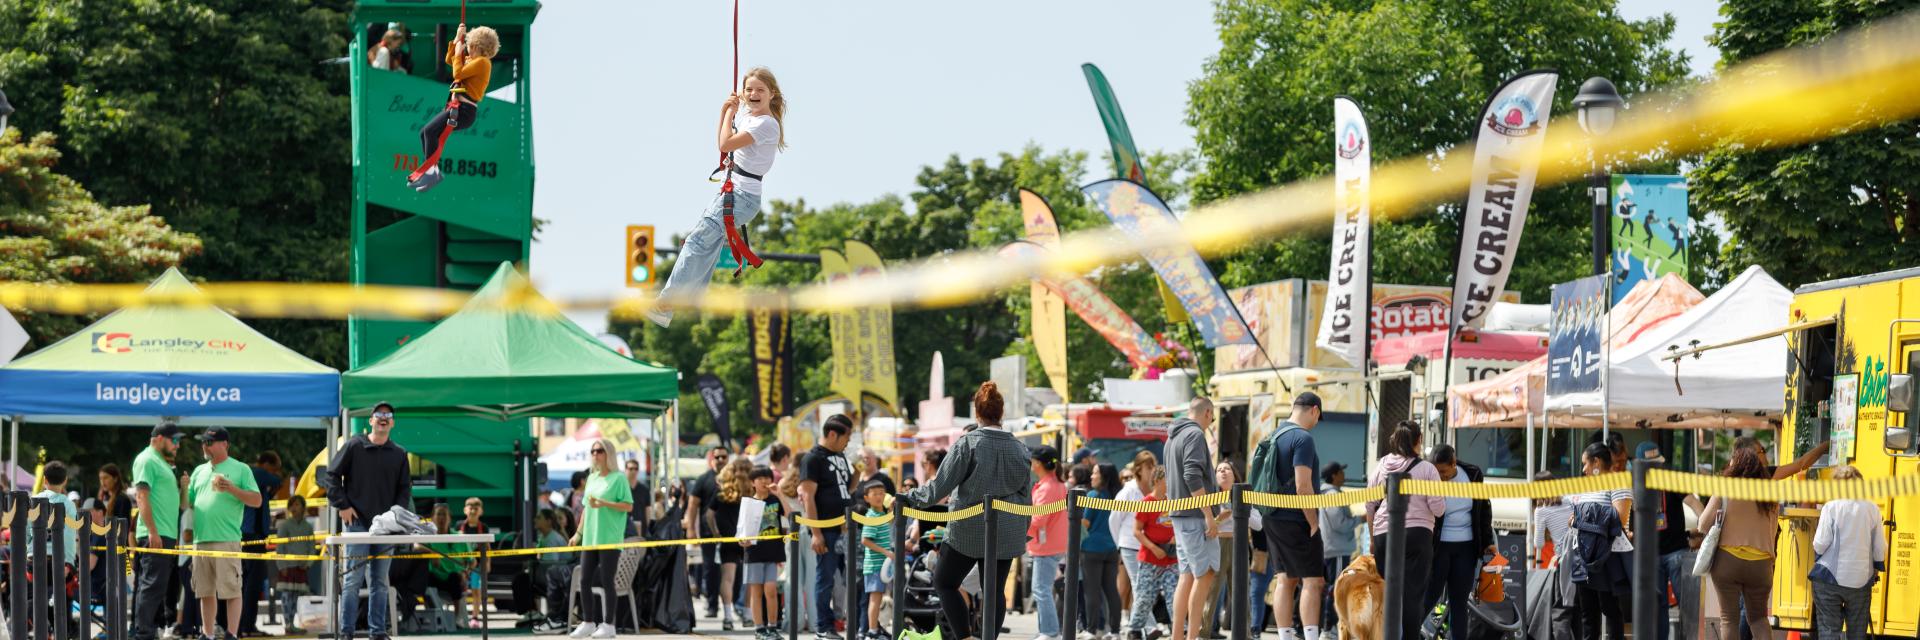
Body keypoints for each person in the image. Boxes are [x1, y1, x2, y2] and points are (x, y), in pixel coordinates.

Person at [646, 67, 788, 328]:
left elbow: (725, 145)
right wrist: (726, 112)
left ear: (772, 94)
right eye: (749, 89)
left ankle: (665, 305)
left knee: (696, 244)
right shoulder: (750, 117)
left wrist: (728, 114)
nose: (753, 94)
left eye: (760, 90)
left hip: (740, 196)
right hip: (734, 194)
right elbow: (722, 143)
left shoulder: (766, 124)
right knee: (704, 247)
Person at [904, 381, 1035, 640]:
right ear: (1001, 413)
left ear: (977, 413)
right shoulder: (1020, 449)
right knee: (994, 591)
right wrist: (1022, 530)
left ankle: (964, 637)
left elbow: (939, 486)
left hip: (968, 527)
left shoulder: (968, 444)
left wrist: (909, 499)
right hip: (1006, 529)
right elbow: (1025, 496)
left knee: (944, 582)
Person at [328, 402, 414, 640]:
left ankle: (377, 632)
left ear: (393, 422)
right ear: (371, 420)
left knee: (379, 582)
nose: (383, 418)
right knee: (352, 580)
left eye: (388, 415)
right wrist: (342, 505)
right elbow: (331, 476)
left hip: (386, 528)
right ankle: (346, 632)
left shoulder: (399, 454)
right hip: (357, 524)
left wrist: (396, 516)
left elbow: (404, 490)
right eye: (379, 415)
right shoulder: (354, 445)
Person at [1363, 422, 1443, 640]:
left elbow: (1370, 505)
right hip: (1417, 535)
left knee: (1387, 594)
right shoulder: (1427, 469)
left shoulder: (1380, 467)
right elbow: (1438, 508)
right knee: (1412, 595)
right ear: (1418, 440)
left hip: (1382, 535)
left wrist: (1371, 538)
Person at [186, 427, 265, 640]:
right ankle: (208, 634)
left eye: (209, 442)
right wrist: (184, 489)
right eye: (203, 442)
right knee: (204, 591)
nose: (205, 446)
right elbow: (190, 504)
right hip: (201, 540)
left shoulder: (240, 469)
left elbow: (257, 501)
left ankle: (231, 633)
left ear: (224, 444)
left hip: (227, 540)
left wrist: (231, 489)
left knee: (231, 589)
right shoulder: (199, 471)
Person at [407, 23, 500, 192]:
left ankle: (431, 173)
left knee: (429, 132)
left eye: (470, 46)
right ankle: (431, 171)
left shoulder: (483, 63)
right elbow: (450, 60)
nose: (468, 49)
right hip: (457, 107)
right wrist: (457, 39)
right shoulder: (473, 61)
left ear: (477, 46)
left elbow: (457, 73)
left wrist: (459, 51)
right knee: (425, 133)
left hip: (464, 110)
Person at [1698, 447, 1778, 640]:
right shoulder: (1769, 493)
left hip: (1727, 561)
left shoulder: (1725, 487)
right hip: (1761, 564)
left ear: (1735, 464)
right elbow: (1773, 531)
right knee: (1759, 619)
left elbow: (1702, 524)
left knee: (1728, 619)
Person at [1266, 393, 1326, 640]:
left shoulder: (1273, 435)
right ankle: (1311, 636)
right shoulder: (1303, 438)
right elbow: (1303, 485)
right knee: (1313, 581)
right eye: (1318, 417)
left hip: (1272, 516)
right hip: (1297, 519)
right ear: (1314, 410)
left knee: (1285, 580)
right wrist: (1313, 522)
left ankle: (1285, 636)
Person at [1423, 444, 1495, 640]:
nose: (1440, 476)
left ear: (1454, 463)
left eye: (1443, 471)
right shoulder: (1428, 478)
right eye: (1436, 472)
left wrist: (1488, 541)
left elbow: (1483, 511)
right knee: (1429, 598)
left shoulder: (1472, 474)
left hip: (1466, 548)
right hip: (1438, 548)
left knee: (1459, 603)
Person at [1165, 397, 1222, 640]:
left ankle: (1179, 636)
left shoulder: (1172, 437)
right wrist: (1209, 515)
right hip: (1195, 515)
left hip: (1180, 514)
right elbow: (1192, 475)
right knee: (1205, 573)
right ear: (1207, 412)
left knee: (1187, 576)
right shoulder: (1195, 435)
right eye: (1212, 418)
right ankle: (1191, 636)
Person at [1635, 443, 1703, 640]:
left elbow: (1694, 503)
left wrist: (1707, 524)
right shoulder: (1637, 484)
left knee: (1684, 604)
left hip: (1673, 552)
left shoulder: (1669, 480)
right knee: (1660, 606)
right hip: (1654, 555)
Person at [1810, 465, 1886, 640]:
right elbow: (1879, 548)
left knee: (1829, 629)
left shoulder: (1831, 507)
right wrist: (1875, 569)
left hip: (1829, 580)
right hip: (1861, 581)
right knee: (1857, 633)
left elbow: (1820, 544)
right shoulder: (1873, 509)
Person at [571, 439, 633, 639]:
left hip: (609, 537)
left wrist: (604, 503)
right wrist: (578, 534)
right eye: (593, 451)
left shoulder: (619, 478)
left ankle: (609, 624)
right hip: (590, 537)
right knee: (584, 579)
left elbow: (628, 506)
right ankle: (588, 621)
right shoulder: (591, 478)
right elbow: (587, 510)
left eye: (599, 451)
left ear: (609, 454)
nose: (595, 454)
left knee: (607, 581)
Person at [801, 415, 856, 640]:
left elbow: (847, 490)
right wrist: (816, 533)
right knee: (825, 579)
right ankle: (823, 626)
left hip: (845, 529)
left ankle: (841, 622)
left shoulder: (841, 456)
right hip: (825, 529)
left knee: (844, 579)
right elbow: (807, 496)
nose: (848, 441)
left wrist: (858, 474)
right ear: (833, 434)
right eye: (847, 436)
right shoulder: (813, 459)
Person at [1569, 443, 1629, 640]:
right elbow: (1574, 518)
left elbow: (1619, 519)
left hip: (1606, 556)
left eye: (1585, 463)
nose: (1583, 469)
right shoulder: (1585, 488)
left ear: (1597, 462)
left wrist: (1584, 518)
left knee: (1610, 608)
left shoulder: (1617, 483)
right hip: (1583, 554)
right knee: (1587, 612)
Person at [131, 420, 184, 640]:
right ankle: (143, 633)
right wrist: (152, 531)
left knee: (156, 588)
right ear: (159, 438)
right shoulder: (147, 459)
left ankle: (147, 632)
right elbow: (141, 496)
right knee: (151, 587)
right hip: (155, 534)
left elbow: (178, 504)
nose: (178, 445)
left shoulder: (160, 462)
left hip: (164, 534)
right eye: (175, 440)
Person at [1112, 450, 1159, 634]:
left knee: (1145, 586)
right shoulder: (1128, 491)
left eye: (1154, 465)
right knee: (1139, 584)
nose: (1153, 470)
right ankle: (1150, 626)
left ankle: (1136, 626)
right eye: (1149, 466)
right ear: (1139, 469)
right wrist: (1119, 545)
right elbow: (1114, 519)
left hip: (1147, 545)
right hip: (1129, 544)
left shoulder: (1155, 490)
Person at [1128, 468, 1178, 640]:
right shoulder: (1147, 502)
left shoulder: (1172, 502)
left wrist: (1175, 537)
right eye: (1167, 479)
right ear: (1157, 480)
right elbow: (1137, 530)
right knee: (1145, 598)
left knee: (1174, 596)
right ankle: (1134, 629)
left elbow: (1178, 524)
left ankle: (1179, 629)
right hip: (1151, 557)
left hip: (1171, 558)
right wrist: (1153, 547)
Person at [1028, 446, 1069, 640]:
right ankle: (1048, 630)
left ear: (1037, 463)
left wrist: (1019, 530)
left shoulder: (1047, 487)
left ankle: (1049, 631)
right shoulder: (1056, 484)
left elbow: (1038, 519)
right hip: (1051, 542)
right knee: (1042, 588)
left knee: (1041, 589)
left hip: (1045, 545)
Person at [241, 451, 284, 637]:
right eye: (274, 469)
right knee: (252, 583)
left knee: (252, 583)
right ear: (265, 464)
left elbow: (274, 487)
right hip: (252, 536)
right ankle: (247, 626)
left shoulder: (255, 480)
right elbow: (277, 482)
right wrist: (277, 477)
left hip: (253, 536)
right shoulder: (256, 473)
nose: (275, 473)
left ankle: (246, 625)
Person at [686, 446, 731, 619]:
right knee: (711, 570)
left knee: (732, 571)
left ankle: (734, 604)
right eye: (717, 456)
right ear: (712, 458)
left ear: (728, 458)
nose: (720, 460)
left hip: (731, 534)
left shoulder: (733, 479)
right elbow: (693, 504)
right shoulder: (704, 479)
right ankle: (712, 605)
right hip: (708, 534)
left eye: (723, 457)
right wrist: (691, 528)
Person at [743, 466, 787, 640]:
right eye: (759, 478)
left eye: (767, 477)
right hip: (754, 553)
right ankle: (759, 628)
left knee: (771, 589)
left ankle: (772, 627)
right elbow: (742, 530)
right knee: (756, 592)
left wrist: (780, 494)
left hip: (774, 551)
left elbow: (790, 515)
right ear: (753, 482)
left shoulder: (775, 501)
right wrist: (742, 541)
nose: (764, 481)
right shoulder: (748, 503)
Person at [1082, 464, 1124, 640]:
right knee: (1111, 591)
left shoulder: (1093, 495)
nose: (1092, 476)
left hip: (1091, 548)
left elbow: (1085, 523)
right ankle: (1115, 631)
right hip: (1112, 548)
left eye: (1095, 473)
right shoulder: (1117, 496)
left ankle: (1092, 630)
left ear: (1103, 476)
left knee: (1092, 591)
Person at [710, 458, 752, 631]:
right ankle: (748, 615)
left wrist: (715, 533)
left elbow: (708, 514)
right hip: (748, 539)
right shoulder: (751, 490)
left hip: (727, 538)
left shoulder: (722, 491)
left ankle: (727, 617)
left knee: (727, 578)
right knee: (750, 578)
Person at [1316, 462, 1358, 635]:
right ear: (1334, 475)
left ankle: (1327, 626)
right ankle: (1329, 626)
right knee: (1337, 588)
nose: (1343, 475)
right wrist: (1359, 519)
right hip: (1337, 549)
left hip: (1332, 548)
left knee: (1331, 587)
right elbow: (1338, 523)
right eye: (1341, 471)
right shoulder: (1332, 494)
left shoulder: (1326, 493)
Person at [1204, 461, 1240, 639]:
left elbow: (1257, 523)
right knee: (1212, 591)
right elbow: (1205, 527)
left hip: (1238, 544)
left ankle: (1244, 632)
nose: (1223, 472)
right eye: (1219, 470)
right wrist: (1219, 518)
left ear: (1234, 474)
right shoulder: (1210, 497)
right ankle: (1204, 631)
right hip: (1217, 543)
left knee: (1240, 591)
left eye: (1227, 469)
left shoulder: (1242, 495)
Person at [274, 495, 318, 634]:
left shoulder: (307, 527)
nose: (294, 508)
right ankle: (287, 624)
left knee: (296, 596)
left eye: (297, 504)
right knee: (287, 595)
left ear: (303, 507)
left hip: (301, 567)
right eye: (292, 505)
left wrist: (309, 563)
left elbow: (312, 546)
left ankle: (292, 624)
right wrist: (282, 566)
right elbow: (280, 548)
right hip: (287, 567)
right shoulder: (285, 525)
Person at [526, 509, 575, 633]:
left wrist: (533, 569)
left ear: (548, 521)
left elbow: (551, 566)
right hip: (556, 575)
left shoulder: (552, 539)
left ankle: (548, 616)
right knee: (522, 578)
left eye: (539, 517)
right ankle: (532, 612)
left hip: (562, 578)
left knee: (523, 580)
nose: (535, 520)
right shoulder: (544, 537)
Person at [858, 481, 895, 640]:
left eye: (882, 493)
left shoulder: (882, 514)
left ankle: (875, 628)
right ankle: (872, 631)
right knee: (875, 598)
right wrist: (886, 552)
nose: (879, 496)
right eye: (875, 494)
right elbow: (865, 540)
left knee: (878, 597)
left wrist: (892, 511)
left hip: (883, 566)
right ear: (867, 498)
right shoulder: (871, 516)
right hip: (874, 565)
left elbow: (888, 526)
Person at [458, 497, 492, 629]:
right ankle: (461, 616)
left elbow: (488, 547)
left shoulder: (483, 527)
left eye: (476, 508)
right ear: (465, 510)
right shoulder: (459, 526)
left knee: (476, 591)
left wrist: (488, 562)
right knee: (462, 590)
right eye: (470, 508)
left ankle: (475, 617)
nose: (473, 511)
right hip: (462, 564)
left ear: (481, 511)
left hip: (478, 565)